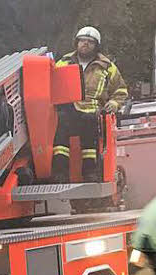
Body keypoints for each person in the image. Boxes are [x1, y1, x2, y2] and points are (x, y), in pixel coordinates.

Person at [51, 26, 128, 183]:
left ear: (96, 45)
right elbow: (50, 85)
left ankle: (90, 172)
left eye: (90, 42)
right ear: (76, 43)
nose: (85, 44)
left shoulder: (107, 66)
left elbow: (120, 90)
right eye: (82, 41)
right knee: (60, 126)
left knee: (89, 130)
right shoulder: (63, 63)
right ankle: (60, 174)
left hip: (93, 113)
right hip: (68, 110)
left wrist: (114, 102)